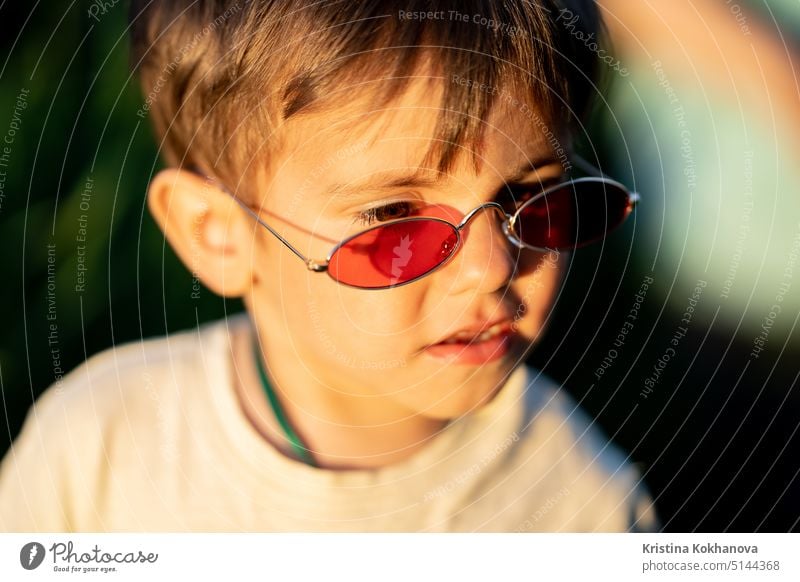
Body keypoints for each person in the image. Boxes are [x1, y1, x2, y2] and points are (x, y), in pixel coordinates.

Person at [0, 0, 658, 532]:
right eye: (395, 216)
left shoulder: (579, 509)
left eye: (532, 197)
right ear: (218, 234)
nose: (490, 268)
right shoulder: (97, 454)